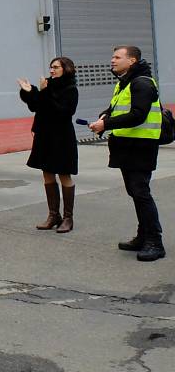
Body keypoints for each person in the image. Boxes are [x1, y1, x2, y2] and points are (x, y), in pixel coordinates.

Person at [89, 46, 165, 262]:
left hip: (140, 146)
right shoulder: (125, 82)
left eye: (117, 57)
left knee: (140, 192)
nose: (112, 60)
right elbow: (116, 108)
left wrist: (107, 123)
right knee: (135, 192)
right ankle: (143, 236)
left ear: (131, 60)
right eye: (112, 56)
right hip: (126, 145)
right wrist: (105, 116)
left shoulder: (142, 83)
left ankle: (154, 242)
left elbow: (138, 115)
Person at [18, 57, 79, 233]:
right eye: (51, 67)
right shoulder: (48, 85)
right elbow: (36, 106)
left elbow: (63, 111)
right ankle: (54, 215)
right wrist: (29, 92)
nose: (52, 71)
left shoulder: (70, 89)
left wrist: (43, 92)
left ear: (66, 69)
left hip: (61, 137)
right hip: (44, 135)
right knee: (47, 173)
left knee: (64, 174)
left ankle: (68, 217)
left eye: (56, 67)